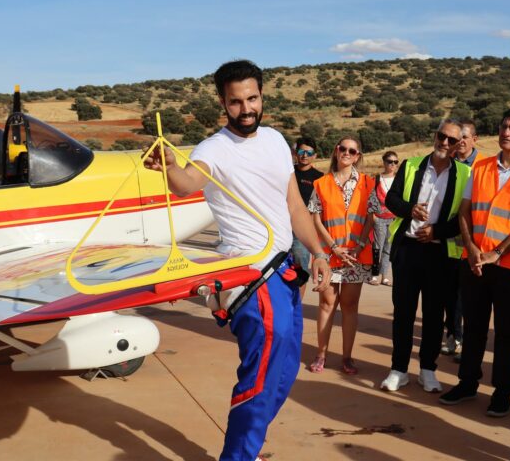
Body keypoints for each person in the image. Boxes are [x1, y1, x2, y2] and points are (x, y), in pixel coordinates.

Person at [144, 60, 331, 461]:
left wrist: (317, 252)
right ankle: (239, 456)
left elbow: (295, 207)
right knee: (260, 378)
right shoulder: (213, 149)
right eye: (235, 102)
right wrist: (171, 167)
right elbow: (186, 184)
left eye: (252, 98)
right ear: (222, 103)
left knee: (283, 374)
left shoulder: (277, 141)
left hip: (284, 274)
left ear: (262, 96)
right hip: (251, 279)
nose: (245, 108)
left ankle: (248, 447)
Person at [440, 108, 510, 418]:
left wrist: (498, 252)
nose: (506, 133)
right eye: (503, 127)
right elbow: (464, 212)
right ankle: (467, 383)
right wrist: (472, 249)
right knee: (472, 327)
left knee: (505, 332)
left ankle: (502, 392)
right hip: (474, 261)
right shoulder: (482, 167)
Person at [380, 120, 471, 393]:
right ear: (435, 136)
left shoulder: (466, 175)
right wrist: (410, 210)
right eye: (441, 136)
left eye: (451, 140)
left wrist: (436, 231)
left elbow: (465, 218)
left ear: (459, 145)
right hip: (407, 250)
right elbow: (391, 200)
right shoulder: (411, 165)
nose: (444, 143)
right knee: (404, 312)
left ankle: (427, 370)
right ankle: (398, 369)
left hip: (439, 252)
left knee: (433, 315)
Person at [307, 136, 375, 375]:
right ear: (336, 151)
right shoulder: (321, 183)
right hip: (330, 254)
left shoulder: (369, 182)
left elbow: (370, 216)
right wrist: (333, 247)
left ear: (358, 156)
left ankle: (347, 357)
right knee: (326, 304)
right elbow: (315, 218)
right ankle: (321, 354)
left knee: (349, 306)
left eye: (352, 150)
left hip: (356, 255)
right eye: (342, 148)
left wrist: (358, 245)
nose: (346, 153)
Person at [444, 118, 487, 359]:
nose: (460, 141)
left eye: (465, 137)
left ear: (474, 139)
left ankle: (466, 342)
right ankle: (453, 334)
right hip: (449, 239)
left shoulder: (484, 166)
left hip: (473, 239)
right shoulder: (447, 163)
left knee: (470, 297)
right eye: (456, 137)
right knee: (450, 293)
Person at [292, 136, 324, 297]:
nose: (304, 155)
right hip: (280, 228)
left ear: (315, 156)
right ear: (295, 153)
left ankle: (296, 306)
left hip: (303, 233)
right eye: (301, 151)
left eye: (309, 152)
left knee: (301, 273)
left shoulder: (320, 178)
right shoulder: (287, 172)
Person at [368, 151, 399, 286]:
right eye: (390, 162)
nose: (393, 165)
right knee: (377, 247)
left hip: (394, 218)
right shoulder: (376, 179)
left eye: (395, 162)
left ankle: (384, 276)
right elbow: (371, 197)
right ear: (384, 163)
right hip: (379, 217)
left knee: (388, 248)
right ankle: (374, 274)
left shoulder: (399, 179)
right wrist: (373, 215)